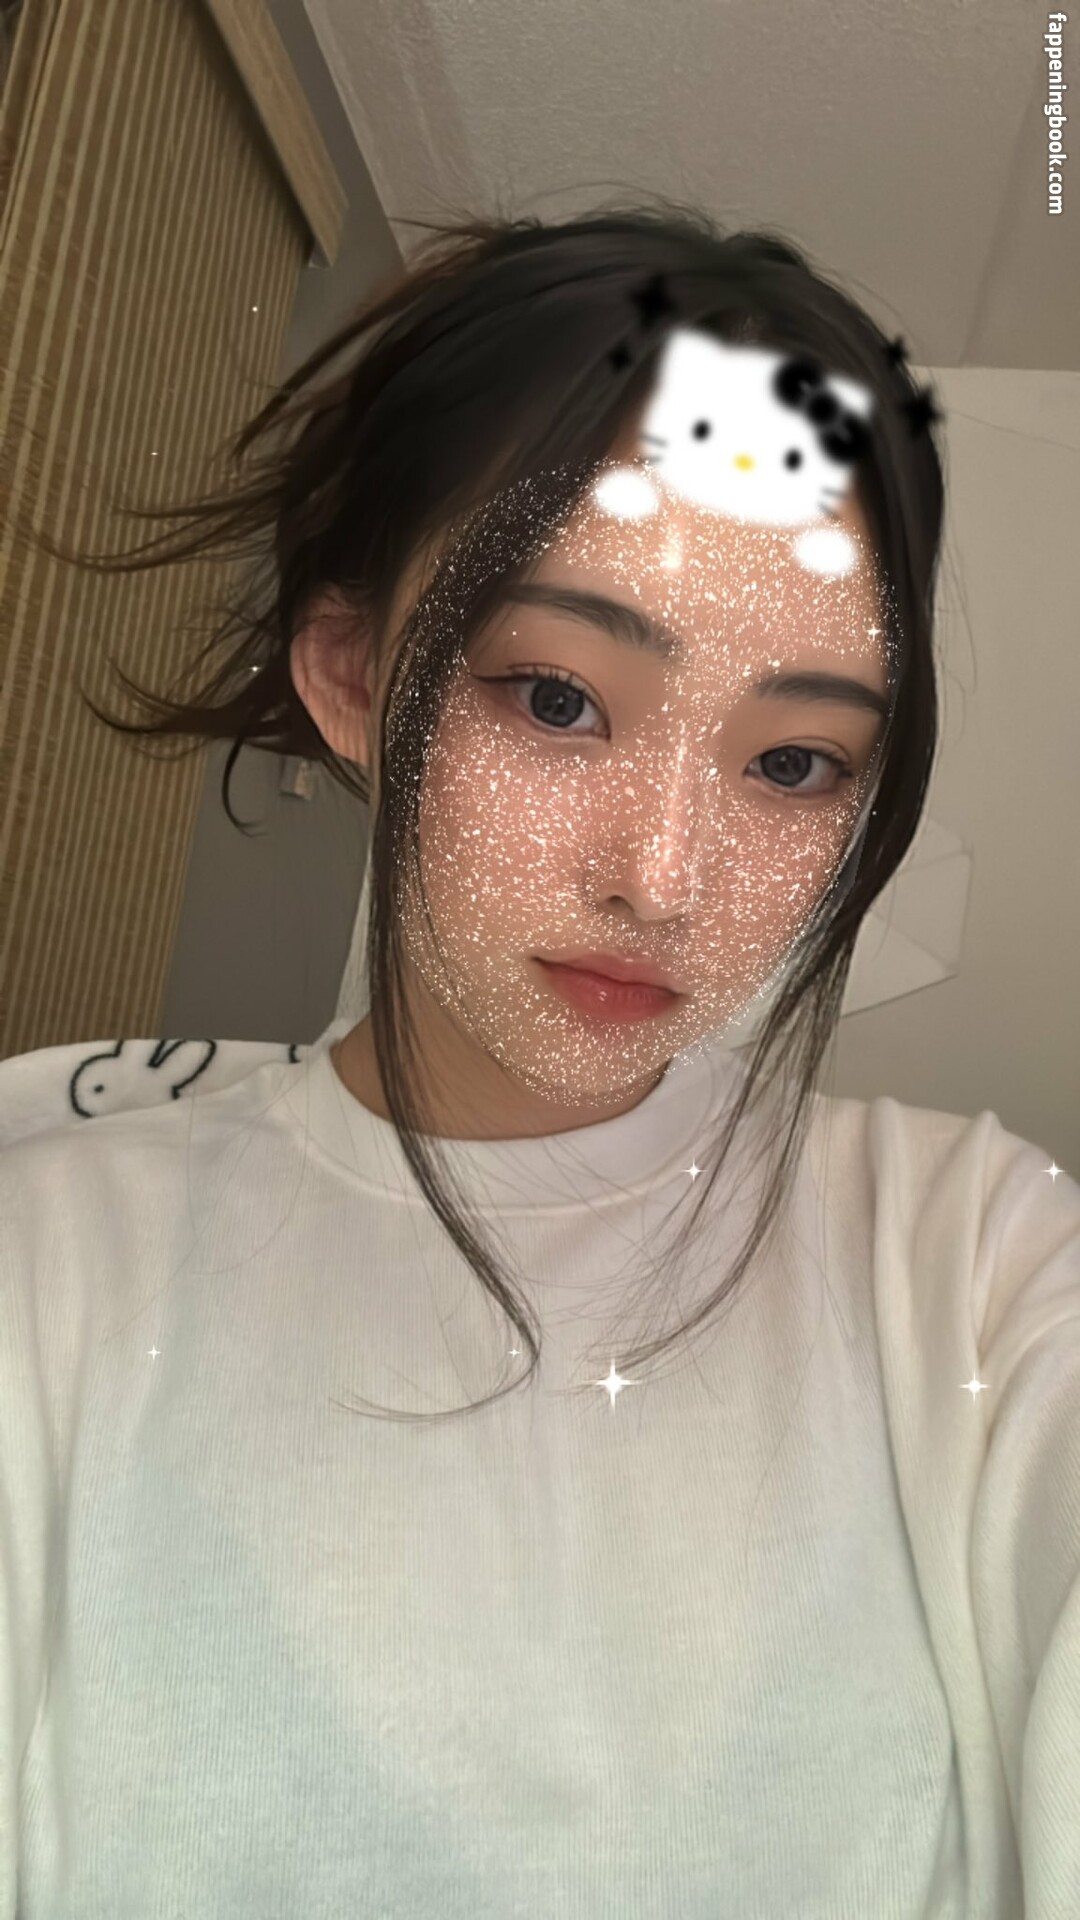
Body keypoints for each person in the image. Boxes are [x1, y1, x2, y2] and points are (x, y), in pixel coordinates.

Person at [2, 201, 1077, 1919]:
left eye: (794, 764)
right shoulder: (44, 1270)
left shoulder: (974, 1261)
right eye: (560, 699)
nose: (665, 879)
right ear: (355, 676)